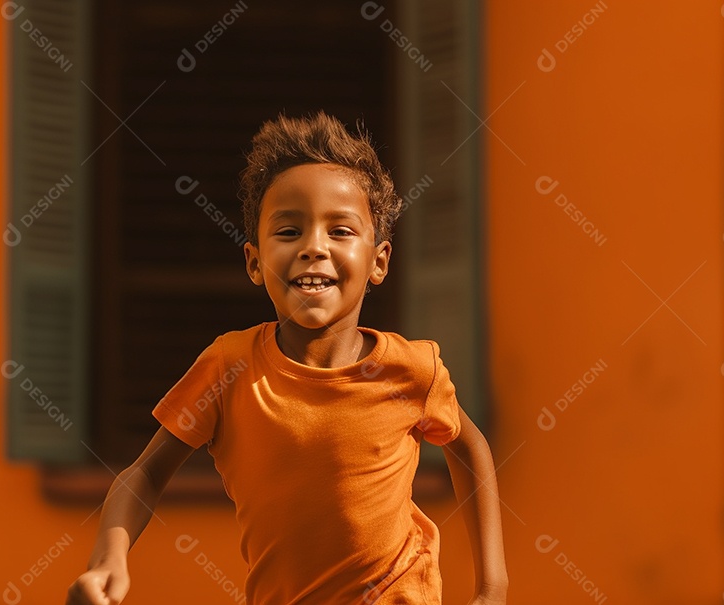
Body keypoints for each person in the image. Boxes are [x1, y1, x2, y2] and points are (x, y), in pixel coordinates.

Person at [66, 112, 508, 605]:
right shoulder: (230, 368)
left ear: (379, 261)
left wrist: (492, 588)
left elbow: (469, 446)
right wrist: (107, 559)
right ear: (254, 262)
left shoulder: (412, 370)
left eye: (340, 231)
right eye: (289, 231)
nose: (314, 247)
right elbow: (146, 474)